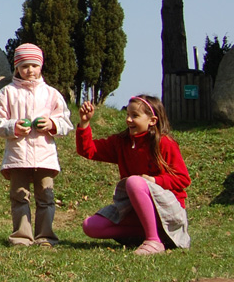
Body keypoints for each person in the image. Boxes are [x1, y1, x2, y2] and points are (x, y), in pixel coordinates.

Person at [77, 94, 191, 255]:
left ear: (152, 120)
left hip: (167, 210)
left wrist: (154, 180)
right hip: (135, 209)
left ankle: (154, 241)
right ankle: (148, 235)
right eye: (128, 115)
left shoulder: (164, 143)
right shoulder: (121, 142)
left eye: (135, 116)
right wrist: (84, 122)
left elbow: (183, 179)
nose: (129, 120)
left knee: (134, 182)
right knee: (91, 226)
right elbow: (88, 150)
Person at [0, 43, 73, 246]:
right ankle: (21, 236)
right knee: (19, 196)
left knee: (45, 197)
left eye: (34, 65)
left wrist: (52, 124)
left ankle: (45, 236)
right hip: (17, 155)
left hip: (45, 156)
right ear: (17, 67)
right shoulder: (7, 93)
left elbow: (66, 122)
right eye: (25, 66)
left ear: (41, 66)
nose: (30, 70)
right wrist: (13, 127)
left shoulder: (51, 94)